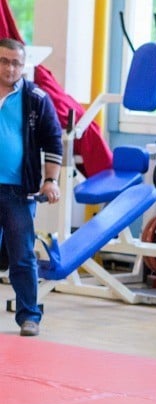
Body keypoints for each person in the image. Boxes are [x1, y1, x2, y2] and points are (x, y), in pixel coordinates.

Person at [0, 38, 63, 337]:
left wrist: (50, 181)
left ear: (23, 66)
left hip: (18, 192)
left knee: (23, 257)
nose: (10, 68)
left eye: (16, 63)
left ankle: (29, 316)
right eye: (4, 61)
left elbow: (53, 141)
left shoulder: (36, 98)